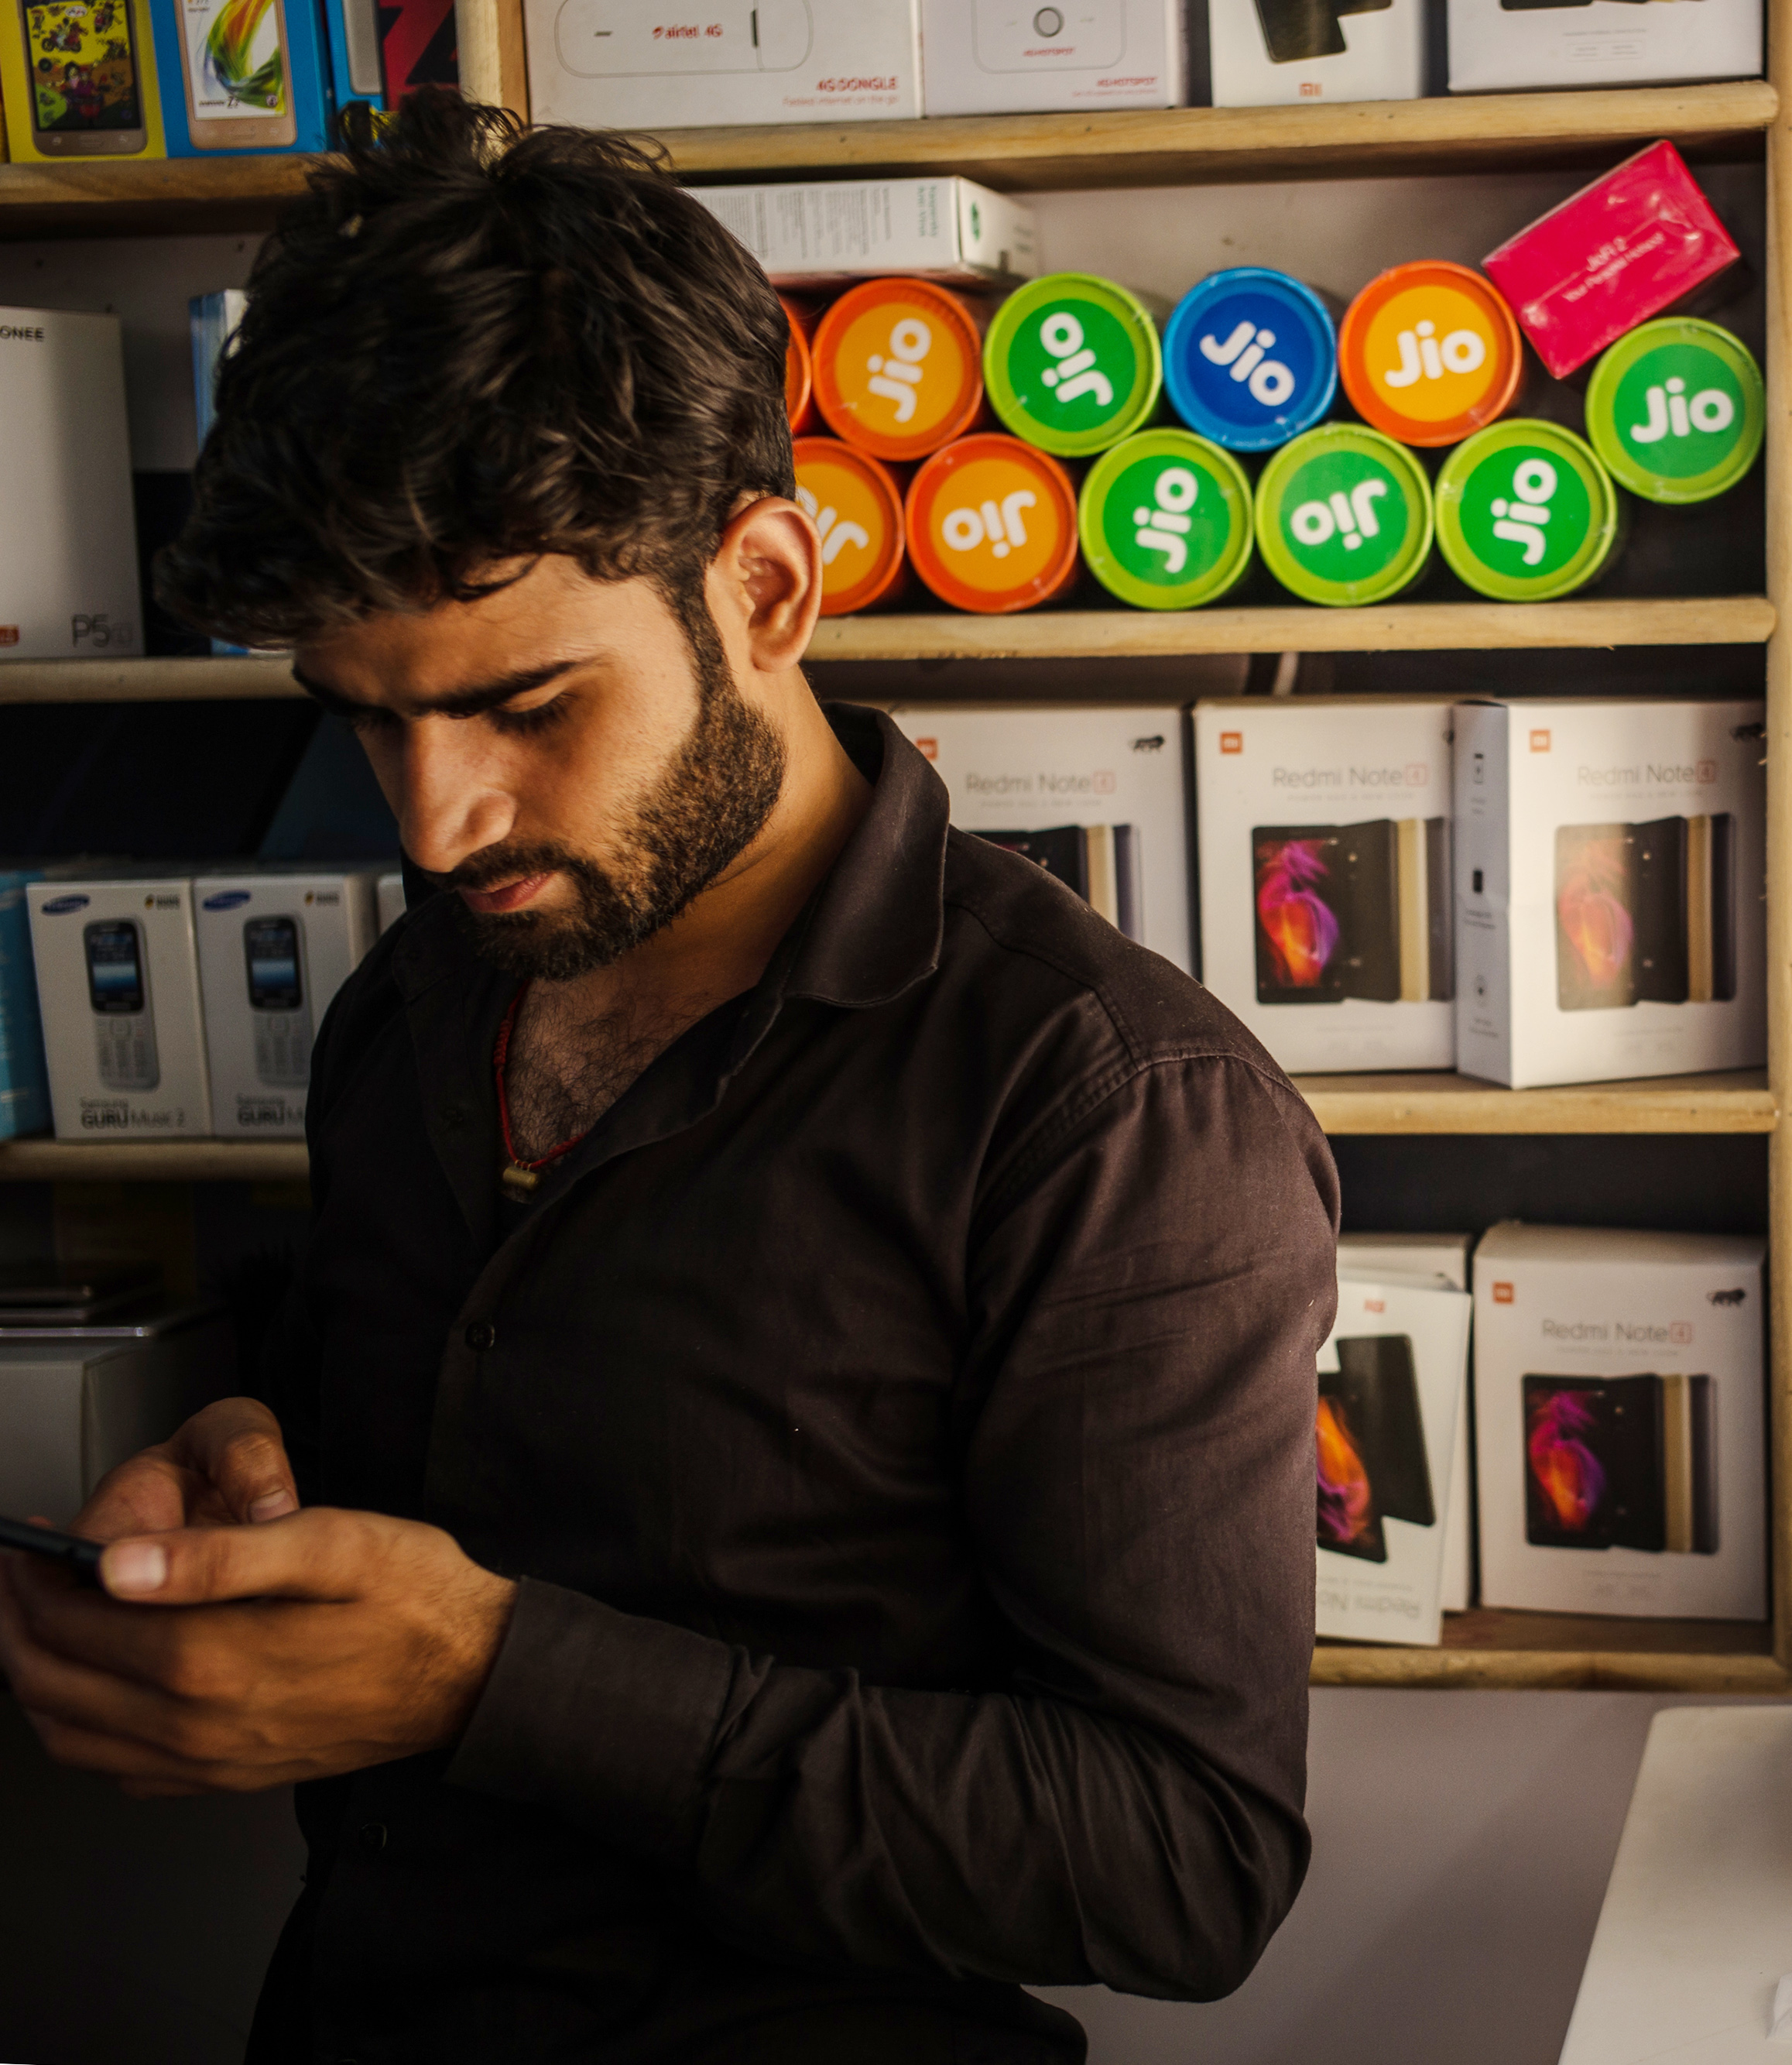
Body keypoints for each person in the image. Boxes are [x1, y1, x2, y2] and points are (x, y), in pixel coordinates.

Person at [0, 106, 1335, 2063]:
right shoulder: (414, 997)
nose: (437, 821)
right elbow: (433, 1445)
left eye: (525, 704)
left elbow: (1181, 1863)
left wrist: (493, 1676)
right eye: (367, 722)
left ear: (769, 586)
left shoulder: (1111, 1108)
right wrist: (236, 1467)